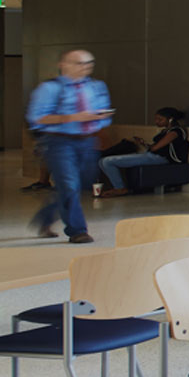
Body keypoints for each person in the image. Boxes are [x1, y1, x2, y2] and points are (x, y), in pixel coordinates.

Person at [25, 49, 112, 242]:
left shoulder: (97, 87)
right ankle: (77, 231)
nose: (85, 67)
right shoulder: (49, 88)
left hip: (88, 141)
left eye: (89, 63)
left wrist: (100, 118)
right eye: (79, 63)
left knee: (75, 186)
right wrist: (71, 117)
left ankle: (45, 217)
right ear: (63, 65)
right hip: (59, 142)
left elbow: (103, 113)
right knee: (69, 185)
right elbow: (36, 118)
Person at [96, 107, 189, 196]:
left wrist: (150, 147)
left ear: (170, 119)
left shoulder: (175, 132)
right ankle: (118, 187)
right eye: (156, 119)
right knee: (102, 161)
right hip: (152, 156)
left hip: (160, 158)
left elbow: (155, 148)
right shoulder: (166, 131)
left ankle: (120, 188)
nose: (156, 121)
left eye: (160, 119)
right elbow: (155, 148)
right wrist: (143, 143)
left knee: (107, 161)